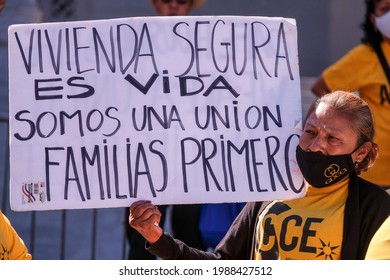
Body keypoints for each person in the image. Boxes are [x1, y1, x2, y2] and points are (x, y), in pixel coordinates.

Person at [128, 91, 390, 260]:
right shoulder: (269, 193)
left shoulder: (377, 208)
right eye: (310, 132)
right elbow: (224, 266)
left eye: (332, 138)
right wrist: (156, 237)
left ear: (360, 152)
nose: (314, 146)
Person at [125, 0, 208, 260]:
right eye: (165, 0)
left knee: (189, 232)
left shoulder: (207, 45)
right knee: (140, 233)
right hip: (145, 160)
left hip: (190, 158)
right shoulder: (132, 44)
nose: (173, 6)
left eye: (181, 1)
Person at [311, 0, 390, 193]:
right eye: (385, 8)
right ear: (373, 19)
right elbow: (322, 87)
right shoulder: (365, 56)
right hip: (375, 175)